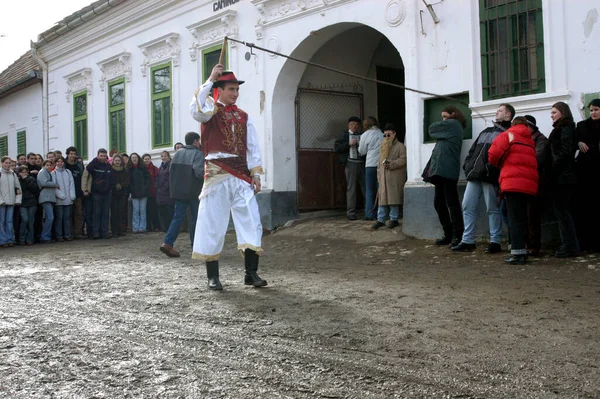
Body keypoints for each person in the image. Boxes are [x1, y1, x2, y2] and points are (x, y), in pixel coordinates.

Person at [190, 64, 266, 290]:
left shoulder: (243, 116)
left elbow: (252, 147)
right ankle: (213, 276)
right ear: (219, 90)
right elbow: (195, 109)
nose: (234, 93)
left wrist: (255, 173)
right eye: (231, 89)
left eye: (236, 90)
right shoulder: (209, 110)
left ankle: (251, 273)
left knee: (251, 221)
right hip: (217, 174)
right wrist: (209, 80)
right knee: (213, 223)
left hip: (241, 175)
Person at [452, 103, 514, 253]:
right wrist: (468, 165)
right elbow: (473, 151)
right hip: (474, 175)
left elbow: (505, 155)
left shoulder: (509, 132)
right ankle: (468, 240)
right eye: (497, 110)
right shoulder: (486, 131)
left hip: (490, 177)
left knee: (492, 209)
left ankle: (495, 241)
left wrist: (490, 169)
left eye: (500, 110)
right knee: (467, 206)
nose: (497, 112)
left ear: (508, 115)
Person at [488, 117, 539, 265]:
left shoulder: (507, 135)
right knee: (522, 218)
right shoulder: (529, 140)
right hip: (528, 185)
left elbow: (493, 155)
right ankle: (523, 249)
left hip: (512, 182)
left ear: (513, 124)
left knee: (514, 218)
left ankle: (517, 253)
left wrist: (499, 164)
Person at [423, 105, 465, 247]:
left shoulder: (453, 124)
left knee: (451, 203)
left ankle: (457, 235)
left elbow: (432, 129)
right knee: (440, 203)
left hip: (447, 171)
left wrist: (443, 123)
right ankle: (449, 234)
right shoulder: (449, 128)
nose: (443, 120)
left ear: (453, 114)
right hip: (442, 171)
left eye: (445, 116)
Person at [160, 133, 205, 258]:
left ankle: (168, 243)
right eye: (199, 140)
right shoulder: (197, 154)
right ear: (195, 141)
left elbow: (170, 172)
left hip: (178, 192)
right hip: (193, 191)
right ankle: (196, 247)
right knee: (196, 218)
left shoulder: (178, 153)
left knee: (177, 218)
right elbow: (199, 172)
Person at [548, 101, 579, 258]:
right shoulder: (563, 128)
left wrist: (553, 167)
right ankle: (568, 245)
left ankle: (569, 246)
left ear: (562, 112)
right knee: (562, 212)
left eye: (554, 112)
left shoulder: (565, 128)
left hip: (563, 177)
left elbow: (565, 152)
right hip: (562, 175)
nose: (551, 115)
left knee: (562, 212)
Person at [573, 98, 600, 252]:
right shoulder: (582, 125)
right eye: (592, 110)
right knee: (585, 208)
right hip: (585, 173)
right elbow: (575, 140)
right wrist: (578, 143)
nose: (593, 112)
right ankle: (585, 242)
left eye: (596, 109)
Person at [523, 115, 550, 257]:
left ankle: (534, 246)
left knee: (532, 215)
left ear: (531, 127)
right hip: (523, 181)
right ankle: (525, 243)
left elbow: (538, 159)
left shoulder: (540, 140)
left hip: (536, 181)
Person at [371, 124, 407, 230]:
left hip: (394, 177)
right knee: (382, 199)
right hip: (383, 177)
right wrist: (379, 176)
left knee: (393, 199)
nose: (387, 137)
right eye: (385, 135)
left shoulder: (400, 146)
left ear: (394, 134)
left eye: (389, 134)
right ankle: (380, 219)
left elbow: (403, 160)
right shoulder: (383, 146)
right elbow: (379, 164)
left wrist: (391, 164)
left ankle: (393, 219)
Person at [335, 116, 366, 221]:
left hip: (362, 163)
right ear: (349, 125)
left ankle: (369, 211)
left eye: (357, 125)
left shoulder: (362, 135)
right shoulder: (344, 135)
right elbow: (337, 147)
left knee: (365, 188)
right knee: (351, 188)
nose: (355, 127)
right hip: (350, 163)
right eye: (353, 125)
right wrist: (348, 144)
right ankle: (351, 212)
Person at [358, 116, 383, 220]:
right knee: (381, 190)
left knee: (369, 190)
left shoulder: (365, 135)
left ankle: (369, 214)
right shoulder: (382, 134)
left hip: (370, 165)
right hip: (381, 164)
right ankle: (381, 214)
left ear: (366, 125)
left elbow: (361, 151)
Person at [86, 148, 112, 239]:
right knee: (96, 213)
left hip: (107, 193)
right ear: (98, 156)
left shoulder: (108, 166)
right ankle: (95, 232)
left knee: (105, 213)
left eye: (104, 156)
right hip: (96, 193)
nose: (103, 157)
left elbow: (110, 178)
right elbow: (88, 168)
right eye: (101, 156)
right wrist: (95, 160)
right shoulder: (94, 165)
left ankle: (104, 232)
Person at [52, 156, 76, 241]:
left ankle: (67, 234)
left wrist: (72, 196)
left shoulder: (68, 172)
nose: (60, 163)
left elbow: (71, 184)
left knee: (67, 218)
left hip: (68, 200)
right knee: (59, 218)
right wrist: (61, 195)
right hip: (59, 200)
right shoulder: (53, 173)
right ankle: (59, 235)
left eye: (61, 161)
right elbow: (54, 187)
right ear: (55, 163)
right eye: (58, 162)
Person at [0, 156, 22, 247]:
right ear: (2, 163)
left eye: (9, 163)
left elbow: (18, 188)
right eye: (6, 163)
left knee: (9, 221)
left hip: (11, 201)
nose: (8, 165)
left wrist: (17, 200)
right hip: (2, 203)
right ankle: (2, 240)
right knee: (1, 222)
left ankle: (10, 239)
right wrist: (1, 200)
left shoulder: (13, 174)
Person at [65, 147, 84, 239]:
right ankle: (69, 233)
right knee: (68, 214)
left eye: (74, 153)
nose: (72, 155)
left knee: (78, 213)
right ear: (67, 154)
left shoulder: (79, 165)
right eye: (71, 153)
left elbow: (83, 177)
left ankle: (77, 233)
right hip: (66, 194)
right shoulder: (64, 165)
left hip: (78, 193)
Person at [128, 152, 150, 234]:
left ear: (138, 158)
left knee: (143, 210)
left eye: (135, 157)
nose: (134, 159)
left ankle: (142, 228)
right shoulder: (129, 169)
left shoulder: (143, 168)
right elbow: (129, 181)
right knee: (135, 211)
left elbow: (148, 179)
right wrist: (131, 190)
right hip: (134, 193)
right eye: (132, 157)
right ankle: (135, 227)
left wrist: (145, 188)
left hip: (143, 192)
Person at [37, 160, 57, 244]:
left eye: (50, 165)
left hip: (49, 197)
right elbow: (44, 183)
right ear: (43, 165)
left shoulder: (47, 172)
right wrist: (55, 184)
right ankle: (44, 236)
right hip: (45, 197)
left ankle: (46, 236)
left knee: (49, 217)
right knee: (50, 217)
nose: (48, 166)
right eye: (47, 165)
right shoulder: (42, 172)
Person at [110, 154, 130, 237]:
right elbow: (109, 180)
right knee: (114, 213)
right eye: (116, 161)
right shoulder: (110, 171)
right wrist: (115, 185)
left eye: (119, 160)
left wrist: (121, 185)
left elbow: (128, 181)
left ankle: (121, 230)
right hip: (113, 194)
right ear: (113, 161)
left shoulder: (125, 171)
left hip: (122, 194)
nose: (117, 162)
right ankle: (114, 230)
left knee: (122, 212)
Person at [17, 165, 38, 245]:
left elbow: (34, 189)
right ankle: (22, 239)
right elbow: (20, 189)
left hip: (32, 202)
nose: (24, 174)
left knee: (31, 221)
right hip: (22, 203)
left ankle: (30, 239)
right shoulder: (18, 180)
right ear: (19, 173)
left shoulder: (31, 179)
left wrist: (26, 179)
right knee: (25, 219)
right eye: (22, 172)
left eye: (26, 172)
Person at [156, 150, 175, 233]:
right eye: (162, 156)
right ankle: (164, 227)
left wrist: (165, 187)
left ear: (168, 157)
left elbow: (170, 177)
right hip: (160, 192)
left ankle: (170, 228)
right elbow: (158, 177)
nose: (163, 158)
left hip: (167, 192)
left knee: (169, 211)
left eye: (165, 156)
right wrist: (157, 186)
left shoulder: (170, 165)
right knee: (162, 211)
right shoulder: (161, 167)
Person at [143, 153, 160, 232]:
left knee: (154, 210)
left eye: (148, 159)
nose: (147, 160)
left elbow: (158, 178)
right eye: (145, 159)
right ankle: (148, 226)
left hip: (153, 192)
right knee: (146, 211)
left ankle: (156, 226)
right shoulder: (142, 169)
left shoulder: (154, 168)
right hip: (145, 193)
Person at [81, 166, 94, 239]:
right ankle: (89, 231)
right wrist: (85, 190)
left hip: (97, 192)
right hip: (89, 193)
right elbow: (84, 178)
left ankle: (94, 231)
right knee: (88, 213)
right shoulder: (90, 167)